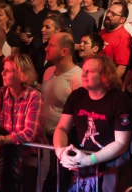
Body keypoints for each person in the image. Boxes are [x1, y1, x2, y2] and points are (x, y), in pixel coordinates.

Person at [53, 55, 132, 192]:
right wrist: (60, 151)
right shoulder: (77, 96)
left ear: (104, 75)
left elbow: (122, 143)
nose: (83, 74)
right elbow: (61, 128)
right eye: (83, 70)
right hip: (81, 168)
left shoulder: (119, 100)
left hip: (108, 169)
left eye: (89, 71)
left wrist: (90, 159)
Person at [0, 54, 45, 192]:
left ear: (21, 75)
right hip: (3, 155)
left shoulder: (34, 96)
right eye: (3, 69)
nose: (2, 73)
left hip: (28, 155)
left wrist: (1, 139)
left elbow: (29, 133)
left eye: (7, 71)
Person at [41, 32, 82, 191]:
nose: (46, 48)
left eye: (51, 45)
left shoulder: (77, 77)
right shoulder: (48, 71)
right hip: (44, 137)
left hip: (65, 138)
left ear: (64, 51)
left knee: (58, 179)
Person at [98, 1, 132, 77]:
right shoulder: (102, 32)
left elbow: (121, 68)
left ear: (122, 19)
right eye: (108, 11)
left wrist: (108, 82)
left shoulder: (123, 38)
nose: (108, 15)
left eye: (113, 14)